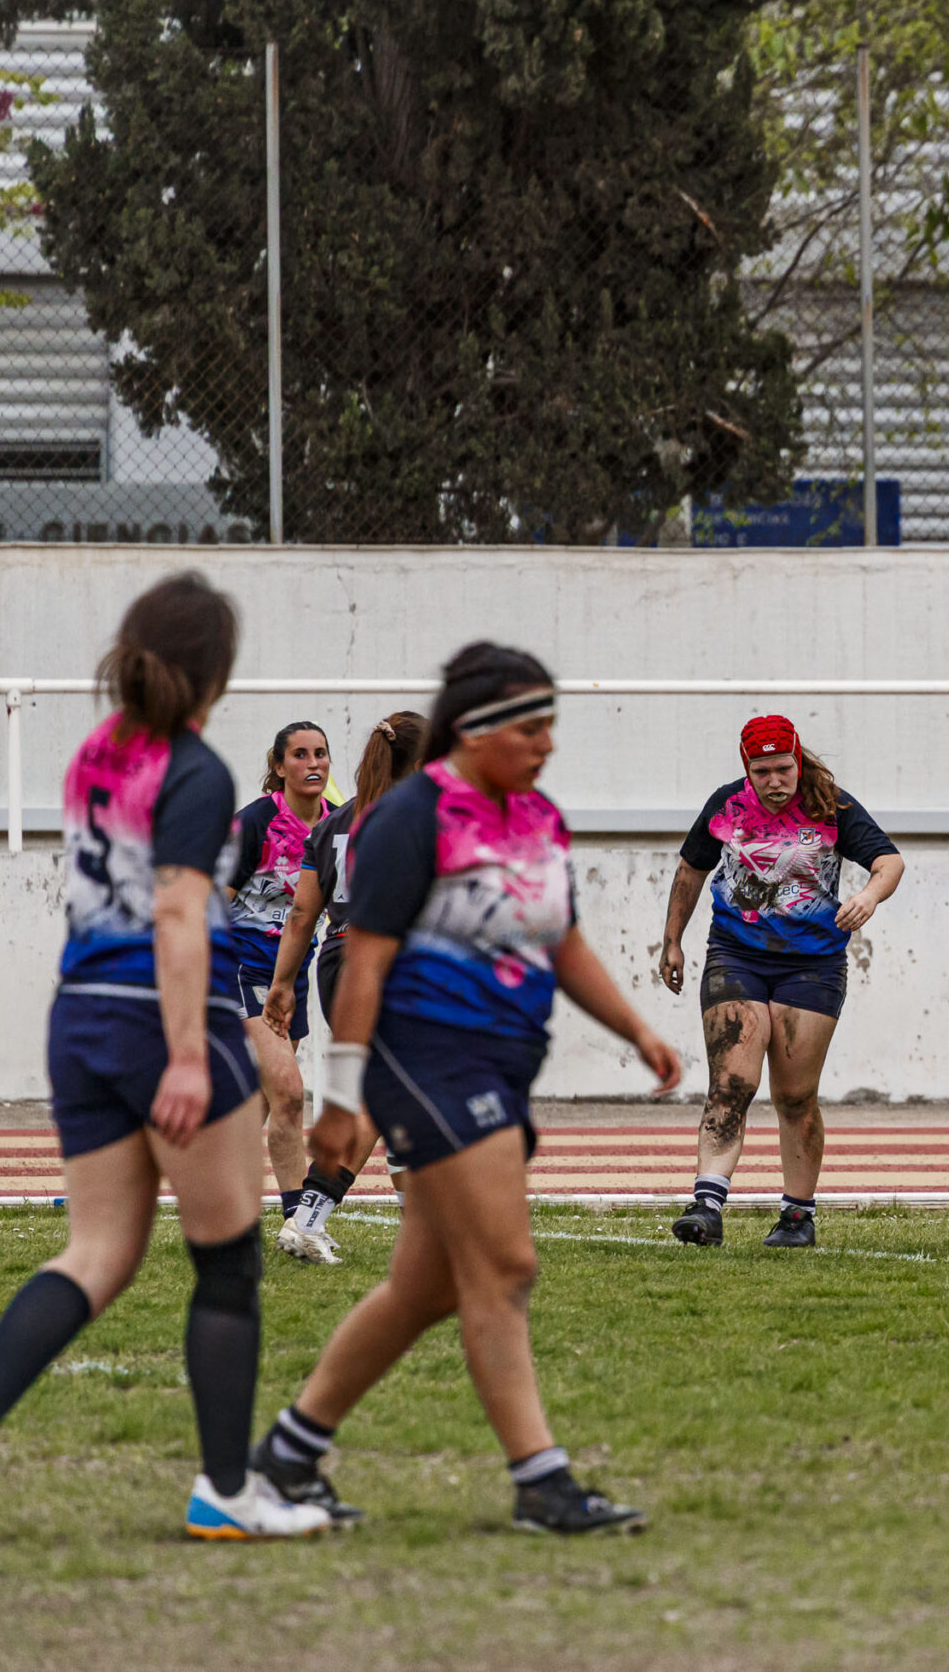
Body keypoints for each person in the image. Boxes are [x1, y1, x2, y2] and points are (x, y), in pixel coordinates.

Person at [0, 572, 332, 1544]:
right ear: (211, 671)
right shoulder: (197, 772)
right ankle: (227, 1490)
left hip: (80, 1022)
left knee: (97, 1252)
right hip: (155, 1020)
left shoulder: (95, 754)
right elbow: (181, 913)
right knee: (227, 1263)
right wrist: (190, 1057)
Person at [246, 643, 682, 1535]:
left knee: (423, 1288)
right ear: (475, 729)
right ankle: (541, 1478)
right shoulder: (411, 816)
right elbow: (362, 955)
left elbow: (559, 939)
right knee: (506, 1264)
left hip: (496, 1062)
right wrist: (343, 1094)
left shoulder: (540, 817)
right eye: (533, 725)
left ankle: (285, 1456)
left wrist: (635, 1029)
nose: (548, 743)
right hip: (426, 1059)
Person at [660, 715, 904, 1249]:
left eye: (783, 768)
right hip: (735, 955)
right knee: (732, 1082)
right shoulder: (726, 805)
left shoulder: (831, 804)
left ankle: (797, 1216)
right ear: (746, 769)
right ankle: (707, 1204)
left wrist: (868, 895)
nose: (775, 782)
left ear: (799, 760)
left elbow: (890, 861)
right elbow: (689, 871)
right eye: (762, 771)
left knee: (795, 1095)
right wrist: (672, 940)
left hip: (812, 963)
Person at [263, 710, 428, 1265]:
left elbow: (301, 916)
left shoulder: (331, 824)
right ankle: (308, 1219)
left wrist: (283, 983)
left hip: (336, 959)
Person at [222, 720, 336, 1217]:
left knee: (263, 1102)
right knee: (290, 1093)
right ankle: (301, 1219)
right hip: (244, 969)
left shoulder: (337, 826)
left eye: (321, 754)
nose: (313, 764)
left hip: (292, 975)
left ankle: (213, 1190)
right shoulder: (253, 823)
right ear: (278, 766)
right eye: (300, 755)